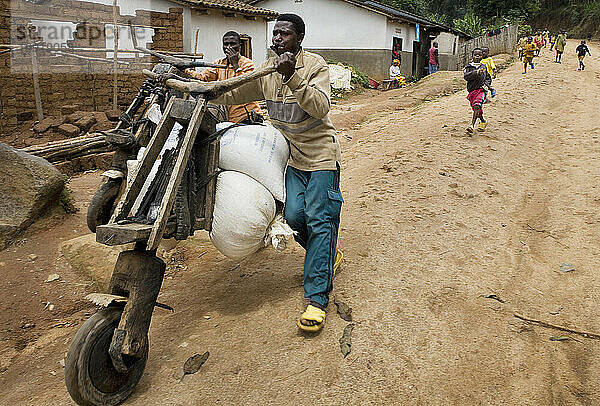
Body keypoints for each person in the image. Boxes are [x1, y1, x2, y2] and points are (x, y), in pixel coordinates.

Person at [161, 14, 344, 333]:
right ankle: (326, 255)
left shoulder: (315, 66)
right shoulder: (267, 71)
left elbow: (320, 107)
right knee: (294, 216)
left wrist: (293, 78)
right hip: (292, 159)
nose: (277, 39)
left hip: (321, 156)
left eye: (284, 35)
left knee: (319, 217)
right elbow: (232, 94)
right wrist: (193, 87)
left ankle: (316, 300)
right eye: (275, 34)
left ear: (299, 39)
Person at [183, 31, 263, 123]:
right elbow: (204, 78)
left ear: (239, 46)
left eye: (233, 44)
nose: (229, 47)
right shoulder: (219, 63)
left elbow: (246, 87)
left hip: (248, 116)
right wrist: (185, 71)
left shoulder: (247, 64)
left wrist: (235, 65)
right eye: (226, 44)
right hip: (230, 118)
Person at [464, 48, 491, 134]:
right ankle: (483, 121)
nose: (477, 56)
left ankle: (472, 125)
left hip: (481, 90)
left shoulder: (483, 67)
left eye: (479, 55)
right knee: (476, 108)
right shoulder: (468, 67)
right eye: (475, 55)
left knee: (477, 105)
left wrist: (487, 86)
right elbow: (466, 77)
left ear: (482, 56)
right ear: (472, 56)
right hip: (472, 91)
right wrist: (476, 73)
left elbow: (488, 78)